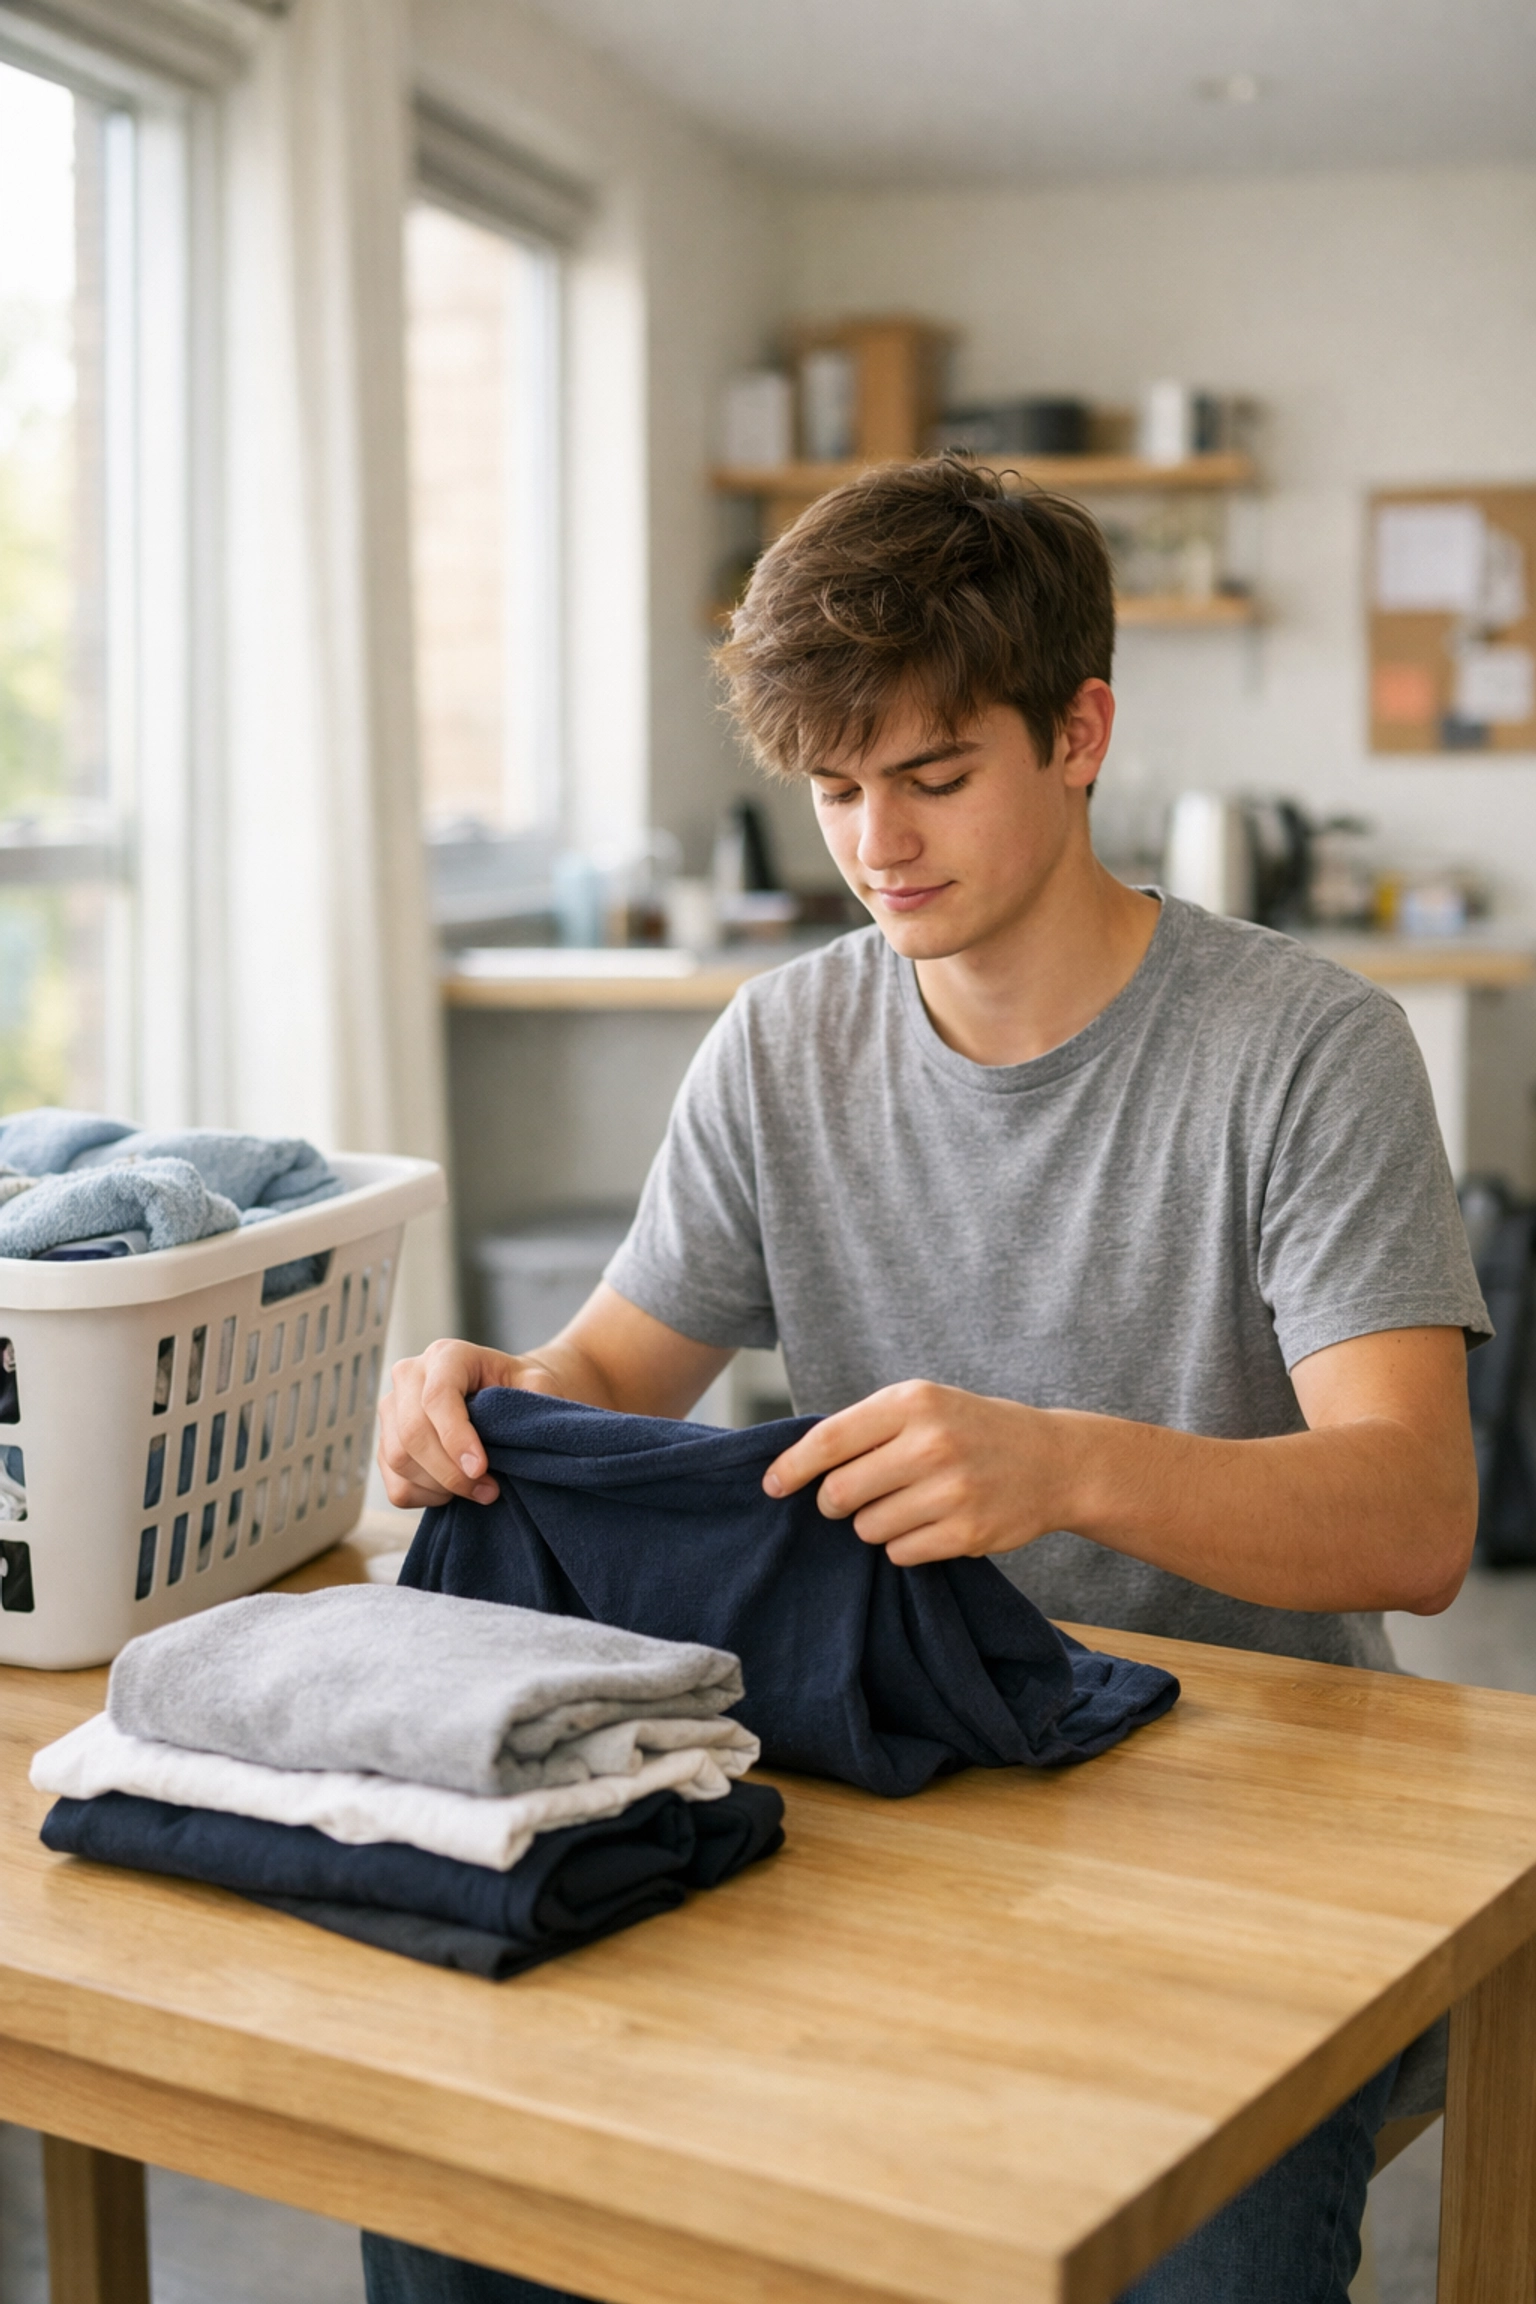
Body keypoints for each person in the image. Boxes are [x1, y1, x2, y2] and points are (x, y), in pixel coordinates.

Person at [373, 457, 1487, 2304]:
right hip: (878, 1773)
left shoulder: (1306, 1052)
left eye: (934, 777)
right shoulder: (781, 1040)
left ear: (1079, 733)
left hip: (1240, 1834)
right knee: (469, 2183)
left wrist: (1064, 1467)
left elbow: (1419, 1514)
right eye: (833, 790)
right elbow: (616, 1373)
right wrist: (498, 1392)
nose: (878, 841)